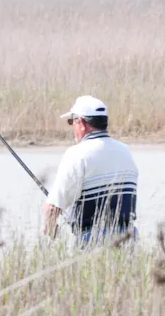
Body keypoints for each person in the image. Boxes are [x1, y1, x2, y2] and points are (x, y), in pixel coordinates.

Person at [42, 95, 138, 246]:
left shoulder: (77, 154)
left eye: (71, 121)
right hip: (129, 238)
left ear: (80, 122)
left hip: (92, 241)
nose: (72, 127)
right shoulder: (125, 150)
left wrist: (51, 230)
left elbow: (53, 208)